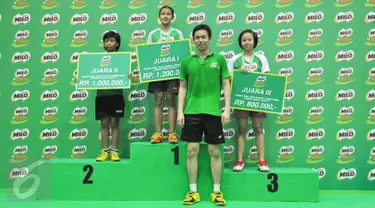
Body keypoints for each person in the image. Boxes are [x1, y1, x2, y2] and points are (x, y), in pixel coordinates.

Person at [177, 24, 231, 206]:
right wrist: (179, 111)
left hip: (213, 112)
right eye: (197, 37)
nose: (200, 40)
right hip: (191, 112)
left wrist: (226, 108)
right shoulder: (187, 61)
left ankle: (217, 192)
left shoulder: (220, 60)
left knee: (215, 151)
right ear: (193, 39)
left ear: (210, 38)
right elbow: (183, 87)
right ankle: (193, 191)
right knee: (192, 151)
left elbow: (226, 84)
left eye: (204, 37)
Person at [76, 31, 125, 162]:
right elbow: (89, 73)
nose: (109, 43)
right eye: (106, 41)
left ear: (117, 43)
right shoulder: (98, 60)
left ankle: (114, 151)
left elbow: (128, 75)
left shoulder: (123, 59)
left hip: (116, 95)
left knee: (115, 123)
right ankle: (104, 151)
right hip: (102, 96)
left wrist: (130, 76)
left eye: (111, 41)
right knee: (104, 123)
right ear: (104, 43)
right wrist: (79, 77)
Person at [229, 29, 270, 172]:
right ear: (240, 42)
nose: (247, 42)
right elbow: (228, 79)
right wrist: (238, 74)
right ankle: (239, 161)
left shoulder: (261, 59)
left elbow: (266, 78)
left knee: (258, 128)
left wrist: (253, 76)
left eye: (249, 39)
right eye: (244, 40)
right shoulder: (235, 59)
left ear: (254, 41)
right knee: (241, 129)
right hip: (241, 99)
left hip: (257, 99)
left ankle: (262, 161)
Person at [147, 5, 184, 144]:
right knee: (158, 100)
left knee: (171, 100)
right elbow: (148, 54)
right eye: (163, 13)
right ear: (159, 16)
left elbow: (180, 53)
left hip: (172, 73)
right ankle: (158, 133)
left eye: (168, 14)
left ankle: (172, 133)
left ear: (172, 17)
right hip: (157, 74)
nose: (166, 16)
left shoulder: (177, 34)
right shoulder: (153, 34)